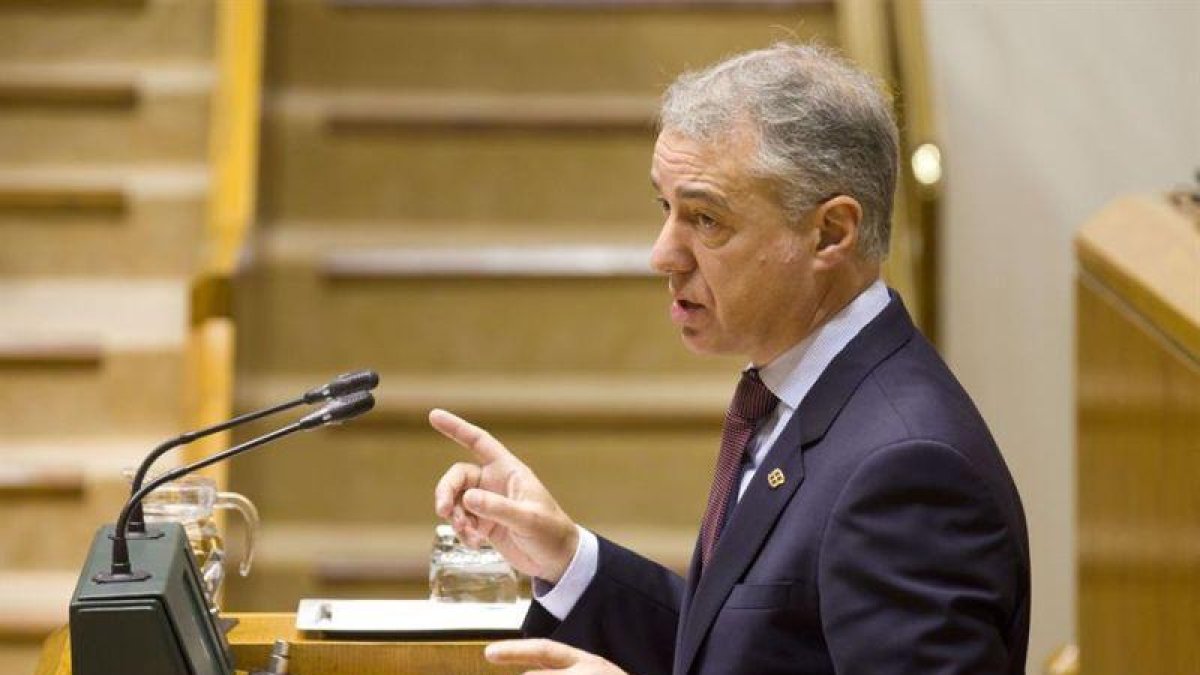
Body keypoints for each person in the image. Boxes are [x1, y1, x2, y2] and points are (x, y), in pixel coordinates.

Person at [431, 43, 1030, 675]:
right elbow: (742, 654)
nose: (663, 255)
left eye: (706, 219)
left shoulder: (907, 469)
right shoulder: (801, 393)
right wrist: (567, 558)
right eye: (667, 209)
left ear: (830, 233)